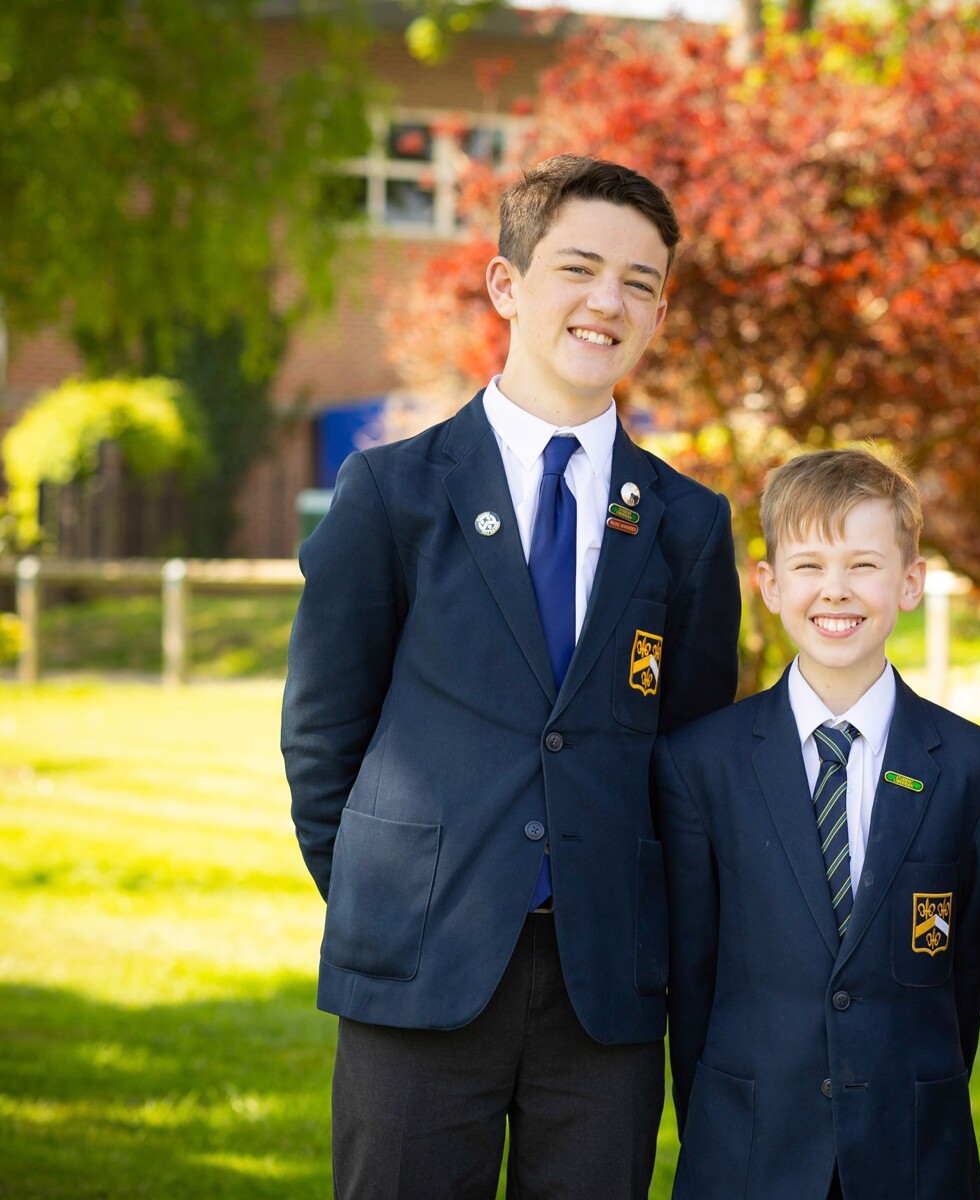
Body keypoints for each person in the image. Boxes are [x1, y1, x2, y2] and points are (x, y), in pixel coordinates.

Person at [281, 154, 740, 1198]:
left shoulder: (686, 525)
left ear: (659, 310)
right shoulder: (392, 492)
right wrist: (394, 897)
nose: (606, 301)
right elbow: (321, 735)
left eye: (639, 282)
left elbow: (689, 760)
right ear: (506, 286)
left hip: (606, 989)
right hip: (419, 966)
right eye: (579, 267)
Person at [657, 446, 980, 1199]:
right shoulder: (701, 765)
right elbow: (691, 977)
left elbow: (967, 977)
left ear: (911, 582)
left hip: (913, 1152)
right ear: (767, 585)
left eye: (864, 565)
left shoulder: (979, 769)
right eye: (809, 566)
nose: (836, 591)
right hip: (747, 1148)